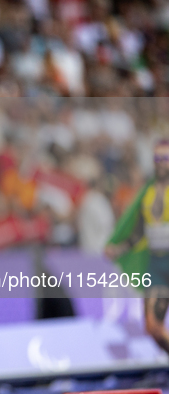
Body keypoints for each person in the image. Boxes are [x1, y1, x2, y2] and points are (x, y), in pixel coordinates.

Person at [106, 140, 169, 354]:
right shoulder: (148, 194)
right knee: (152, 327)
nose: (161, 163)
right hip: (156, 263)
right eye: (157, 158)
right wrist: (119, 248)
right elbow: (138, 232)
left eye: (165, 159)